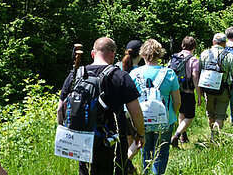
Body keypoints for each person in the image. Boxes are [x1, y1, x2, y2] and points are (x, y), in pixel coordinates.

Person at [58, 37, 145, 175]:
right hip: (112, 140)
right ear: (113, 54)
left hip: (83, 137)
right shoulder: (120, 76)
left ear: (93, 53)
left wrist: (67, 131)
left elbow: (61, 108)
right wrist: (140, 134)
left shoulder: (77, 74)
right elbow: (136, 112)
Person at [130, 39, 180, 175]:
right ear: (159, 54)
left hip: (142, 119)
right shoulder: (169, 73)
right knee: (162, 152)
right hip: (165, 120)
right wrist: (172, 116)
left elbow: (130, 101)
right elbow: (177, 101)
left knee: (146, 150)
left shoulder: (134, 74)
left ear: (143, 54)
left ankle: (146, 173)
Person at [198, 33, 233, 138]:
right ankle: (216, 137)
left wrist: (200, 92)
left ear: (213, 42)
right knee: (220, 115)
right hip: (223, 89)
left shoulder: (204, 54)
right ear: (225, 43)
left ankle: (212, 133)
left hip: (208, 89)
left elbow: (199, 73)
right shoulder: (229, 56)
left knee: (211, 114)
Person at [115, 40, 143, 175]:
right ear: (141, 54)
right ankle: (123, 163)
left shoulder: (116, 66)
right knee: (139, 141)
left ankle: (127, 167)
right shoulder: (139, 71)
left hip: (118, 111)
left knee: (127, 140)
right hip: (132, 110)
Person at [170, 36, 201, 146]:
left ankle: (183, 137)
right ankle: (177, 135)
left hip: (175, 91)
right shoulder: (193, 60)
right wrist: (199, 94)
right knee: (190, 116)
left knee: (181, 113)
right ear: (193, 47)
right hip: (188, 91)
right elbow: (195, 78)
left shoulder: (174, 57)